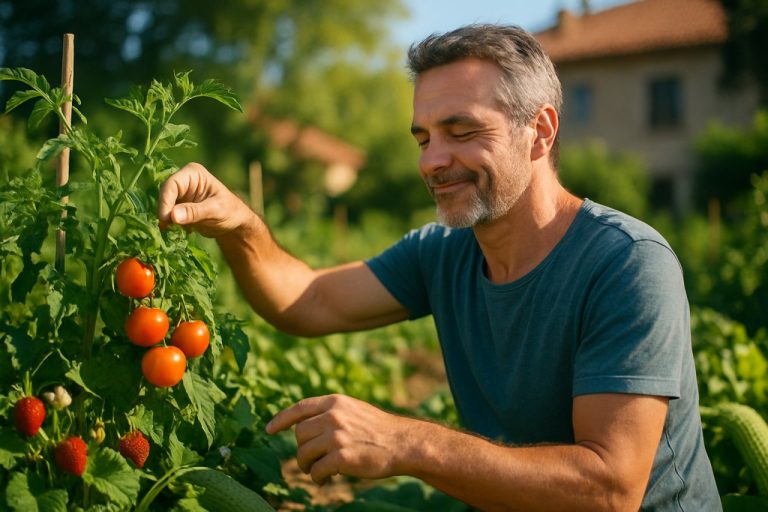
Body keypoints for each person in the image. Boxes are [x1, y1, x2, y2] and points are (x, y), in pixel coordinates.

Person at [157, 24, 721, 511]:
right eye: (424, 138)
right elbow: (307, 300)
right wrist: (241, 225)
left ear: (541, 132)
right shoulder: (444, 252)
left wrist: (405, 442)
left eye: (462, 131)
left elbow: (608, 491)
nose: (432, 161)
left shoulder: (626, 264)